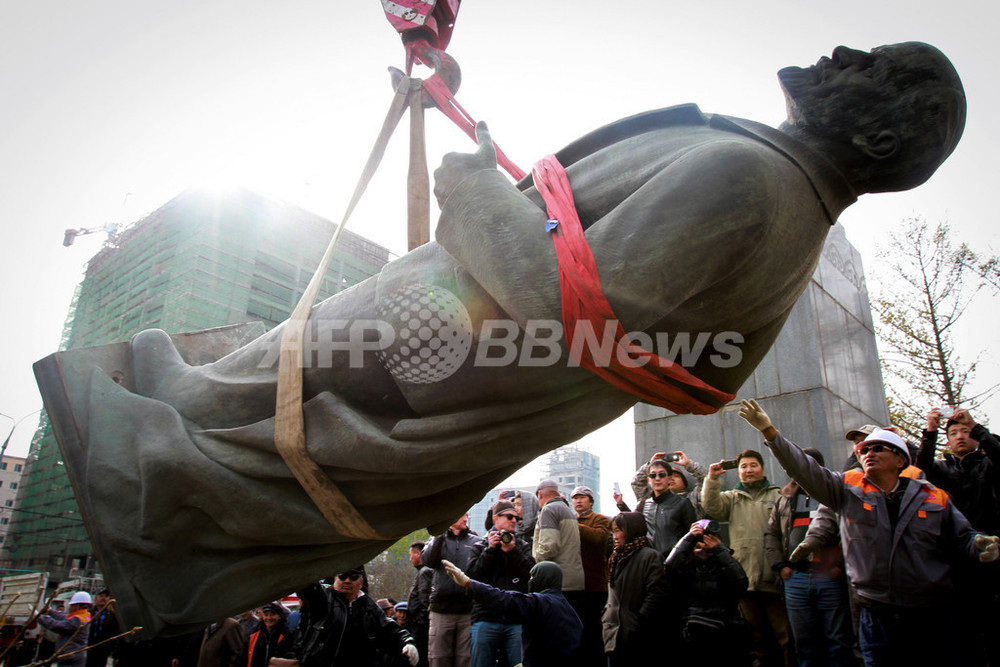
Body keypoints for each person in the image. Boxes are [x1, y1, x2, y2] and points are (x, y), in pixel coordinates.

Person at [47, 42, 969, 636]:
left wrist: (480, 195)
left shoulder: (752, 182)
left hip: (466, 336)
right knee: (293, 380)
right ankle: (187, 416)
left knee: (314, 373)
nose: (846, 53)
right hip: (477, 352)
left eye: (876, 68)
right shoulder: (783, 204)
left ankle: (153, 452)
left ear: (883, 134)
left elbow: (576, 305)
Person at [739, 398, 1000, 667]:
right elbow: (805, 469)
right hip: (875, 613)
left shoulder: (933, 496)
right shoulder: (847, 490)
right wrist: (769, 431)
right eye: (864, 450)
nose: (868, 453)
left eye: (878, 448)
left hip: (930, 613)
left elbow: (962, 538)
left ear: (900, 459)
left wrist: (979, 544)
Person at [916, 407, 1000, 665]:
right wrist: (930, 431)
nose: (960, 436)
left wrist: (976, 427)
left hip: (992, 555)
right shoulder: (941, 470)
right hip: (953, 560)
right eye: (954, 433)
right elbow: (920, 471)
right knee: (962, 631)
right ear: (948, 440)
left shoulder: (988, 464)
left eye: (965, 432)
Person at [702, 449, 793, 666]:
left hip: (774, 577)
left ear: (762, 468)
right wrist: (713, 478)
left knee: (786, 638)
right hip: (745, 579)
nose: (748, 470)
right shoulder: (732, 498)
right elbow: (711, 506)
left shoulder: (777, 495)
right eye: (743, 466)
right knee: (755, 638)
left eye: (753, 465)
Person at [764, 448, 854, 667]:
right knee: (804, 641)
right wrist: (780, 567)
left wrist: (838, 565)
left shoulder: (834, 493)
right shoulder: (784, 499)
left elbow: (850, 531)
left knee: (838, 640)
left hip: (829, 578)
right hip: (796, 578)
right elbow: (771, 534)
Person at [440, 559, 582, 667]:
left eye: (533, 577)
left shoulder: (539, 601)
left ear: (543, 578)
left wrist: (468, 583)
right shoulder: (569, 609)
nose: (530, 581)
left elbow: (504, 599)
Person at [282, 566, 418, 667]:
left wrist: (408, 643)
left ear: (361, 582)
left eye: (353, 577)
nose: (347, 580)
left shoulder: (369, 607)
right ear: (335, 578)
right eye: (342, 576)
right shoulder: (321, 598)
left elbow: (390, 629)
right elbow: (306, 585)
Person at [664, 521, 751, 665]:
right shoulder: (687, 568)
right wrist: (689, 538)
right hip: (693, 630)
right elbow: (669, 566)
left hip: (724, 632)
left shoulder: (724, 565)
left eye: (708, 543)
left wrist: (720, 550)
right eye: (698, 545)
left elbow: (740, 582)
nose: (703, 548)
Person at [466, 499, 533, 667]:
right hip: (485, 617)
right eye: (509, 517)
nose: (514, 521)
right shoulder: (479, 546)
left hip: (516, 619)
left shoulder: (522, 546)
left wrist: (513, 551)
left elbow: (532, 576)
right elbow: (472, 579)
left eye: (516, 518)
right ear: (496, 519)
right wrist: (490, 550)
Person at [601, 512, 668, 664]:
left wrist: (639, 619)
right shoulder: (615, 557)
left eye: (619, 530)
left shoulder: (649, 556)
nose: (615, 536)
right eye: (613, 531)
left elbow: (657, 593)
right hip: (613, 632)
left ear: (632, 530)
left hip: (635, 632)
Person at [421, 513, 477, 667]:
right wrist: (439, 536)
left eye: (467, 515)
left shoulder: (476, 541)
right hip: (441, 610)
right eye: (462, 515)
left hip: (468, 611)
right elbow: (427, 560)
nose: (466, 519)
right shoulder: (437, 539)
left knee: (466, 659)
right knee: (438, 659)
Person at [570, 485, 610, 667]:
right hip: (574, 584)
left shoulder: (600, 519)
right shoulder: (570, 520)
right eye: (575, 498)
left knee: (593, 631)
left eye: (582, 497)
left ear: (591, 502)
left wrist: (573, 525)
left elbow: (599, 538)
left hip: (594, 584)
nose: (578, 501)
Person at [532, 481, 584, 593]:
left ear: (540, 495)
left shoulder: (548, 509)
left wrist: (536, 564)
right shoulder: (567, 510)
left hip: (558, 582)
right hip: (574, 579)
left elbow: (549, 546)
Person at [37, 591, 92, 667]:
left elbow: (58, 625)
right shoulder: (82, 615)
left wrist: (39, 617)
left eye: (72, 605)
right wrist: (50, 611)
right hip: (74, 656)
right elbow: (64, 617)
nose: (70, 607)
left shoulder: (77, 620)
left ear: (79, 605)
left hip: (71, 657)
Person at [238, 601, 292, 667]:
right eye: (266, 615)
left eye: (272, 614)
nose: (269, 618)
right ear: (262, 617)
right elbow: (243, 657)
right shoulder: (253, 634)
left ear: (279, 616)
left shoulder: (287, 634)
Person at [406, 541, 433, 667]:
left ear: (418, 554)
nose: (410, 558)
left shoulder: (424, 572)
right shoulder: (422, 572)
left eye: (411, 554)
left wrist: (420, 623)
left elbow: (425, 600)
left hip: (421, 626)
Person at [86, 588, 120, 667]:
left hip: (103, 651)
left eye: (106, 596)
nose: (103, 598)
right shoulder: (88, 613)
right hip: (87, 649)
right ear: (95, 598)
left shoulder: (112, 615)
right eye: (101, 596)